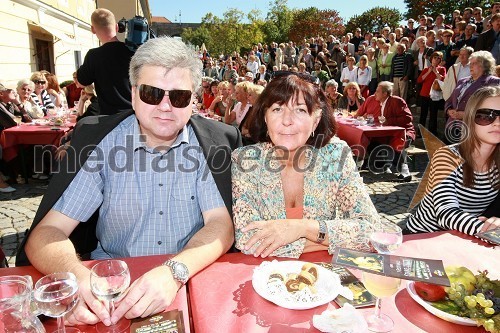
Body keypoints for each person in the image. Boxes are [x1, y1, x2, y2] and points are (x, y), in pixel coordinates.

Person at [18, 37, 241, 327]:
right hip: (112, 287)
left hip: (191, 276)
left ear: (193, 101)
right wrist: (82, 278)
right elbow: (46, 234)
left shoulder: (210, 145)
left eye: (179, 97)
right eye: (152, 93)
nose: (165, 106)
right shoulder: (101, 145)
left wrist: (174, 271)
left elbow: (220, 224)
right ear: (134, 94)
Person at [231, 73, 385, 258]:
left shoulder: (335, 156)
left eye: (300, 110)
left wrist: (301, 228)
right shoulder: (246, 160)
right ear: (265, 116)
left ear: (316, 119)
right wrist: (330, 239)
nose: (287, 120)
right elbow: (247, 239)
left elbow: (371, 231)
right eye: (277, 109)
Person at [404, 86, 499, 235]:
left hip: (465, 239)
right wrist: (489, 231)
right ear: (470, 119)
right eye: (486, 115)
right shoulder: (447, 156)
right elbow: (446, 213)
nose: (497, 122)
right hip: (422, 237)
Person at [77, 8, 134, 115]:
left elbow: (81, 82)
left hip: (108, 119)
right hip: (133, 115)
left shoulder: (93, 56)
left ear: (93, 29)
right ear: (117, 27)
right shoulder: (132, 52)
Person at [355, 81, 416, 179]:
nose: (375, 93)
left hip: (404, 132)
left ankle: (405, 172)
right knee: (371, 141)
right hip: (388, 133)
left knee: (396, 144)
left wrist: (389, 121)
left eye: (378, 91)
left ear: (385, 93)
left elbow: (408, 118)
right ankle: (382, 166)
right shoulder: (379, 102)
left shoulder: (397, 101)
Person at [445, 51, 500, 142]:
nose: (470, 65)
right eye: (470, 63)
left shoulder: (493, 82)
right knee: (449, 155)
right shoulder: (462, 81)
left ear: (484, 65)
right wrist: (449, 110)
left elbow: (492, 109)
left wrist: (466, 115)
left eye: (474, 63)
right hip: (453, 127)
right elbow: (449, 101)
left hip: (473, 129)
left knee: (466, 155)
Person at [417, 51, 446, 136]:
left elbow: (443, 79)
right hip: (425, 94)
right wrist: (429, 71)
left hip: (435, 95)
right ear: (431, 59)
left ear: (440, 60)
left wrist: (436, 72)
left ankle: (432, 132)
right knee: (423, 114)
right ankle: (420, 132)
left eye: (438, 58)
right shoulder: (426, 69)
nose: (436, 59)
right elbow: (419, 80)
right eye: (434, 57)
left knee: (433, 114)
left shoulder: (442, 69)